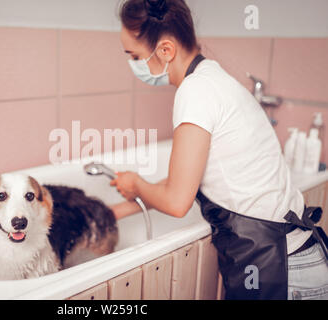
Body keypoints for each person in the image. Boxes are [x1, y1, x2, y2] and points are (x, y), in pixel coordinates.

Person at [109, 0, 328, 300]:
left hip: (280, 270)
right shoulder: (213, 78)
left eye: (134, 56)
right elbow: (185, 181)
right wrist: (118, 209)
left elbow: (176, 201)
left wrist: (136, 183)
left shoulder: (195, 92)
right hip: (296, 257)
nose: (134, 64)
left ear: (165, 50)